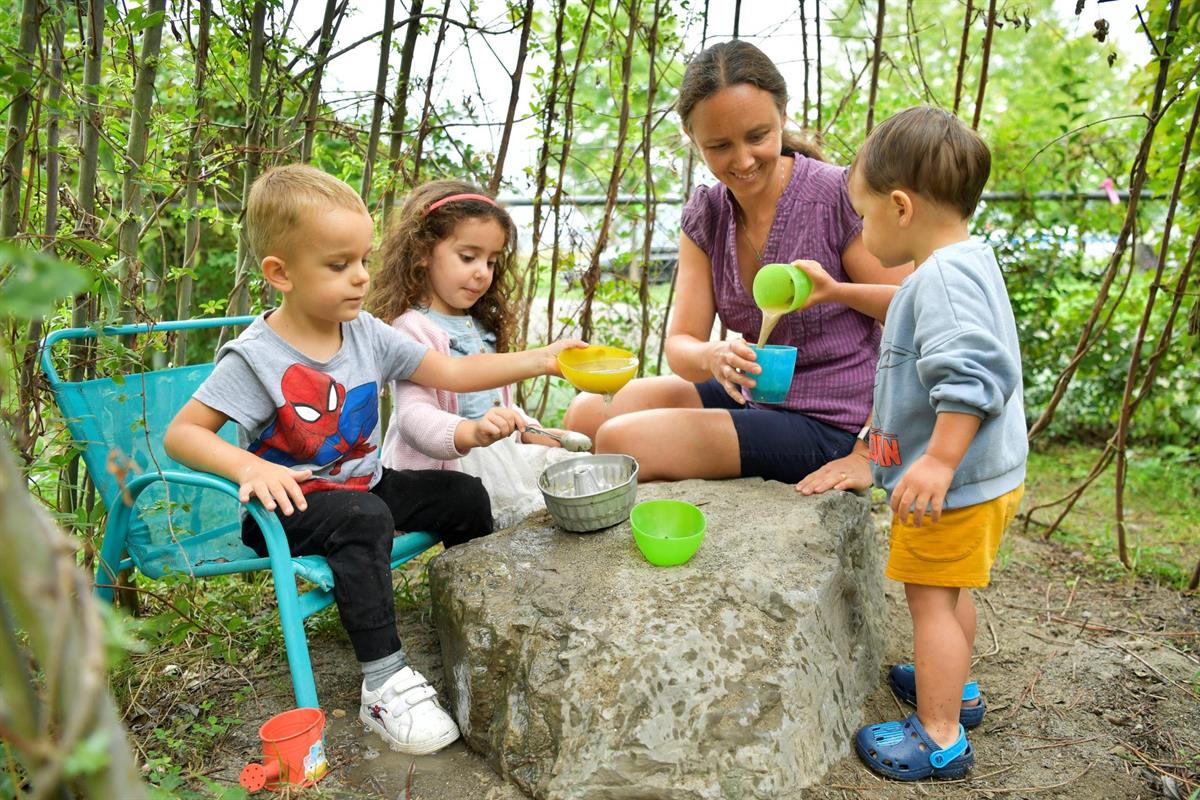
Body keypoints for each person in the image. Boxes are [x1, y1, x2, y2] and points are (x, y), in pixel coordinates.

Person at [163, 164, 582, 756]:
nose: (360, 278)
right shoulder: (256, 357)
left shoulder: (363, 331)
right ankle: (384, 684)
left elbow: (455, 372)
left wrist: (543, 358)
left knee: (461, 496)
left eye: (362, 260)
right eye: (339, 266)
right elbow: (183, 435)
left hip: (364, 483)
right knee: (364, 518)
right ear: (280, 274)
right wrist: (250, 468)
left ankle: (480, 616)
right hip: (292, 506)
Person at [563, 40, 907, 485]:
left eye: (758, 136)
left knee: (620, 440)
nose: (742, 161)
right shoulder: (706, 215)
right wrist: (715, 355)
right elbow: (682, 346)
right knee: (587, 411)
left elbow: (914, 316)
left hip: (830, 422)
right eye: (720, 145)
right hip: (754, 396)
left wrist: (872, 452)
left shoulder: (837, 197)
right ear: (693, 140)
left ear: (783, 116)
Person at [846, 107, 1027, 781]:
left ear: (900, 206)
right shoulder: (964, 260)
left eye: (862, 216)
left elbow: (972, 375)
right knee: (947, 593)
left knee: (929, 600)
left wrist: (940, 461)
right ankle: (957, 687)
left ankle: (940, 734)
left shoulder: (942, 278)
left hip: (955, 480)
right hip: (984, 477)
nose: (860, 231)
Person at [369, 180, 578, 530]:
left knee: (569, 465)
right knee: (513, 511)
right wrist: (470, 432)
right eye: (468, 257)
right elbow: (414, 418)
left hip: (493, 454)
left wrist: (529, 430)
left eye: (491, 261)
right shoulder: (412, 329)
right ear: (422, 252)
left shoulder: (478, 324)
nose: (482, 272)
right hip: (448, 467)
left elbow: (496, 406)